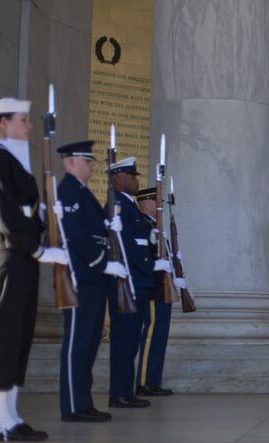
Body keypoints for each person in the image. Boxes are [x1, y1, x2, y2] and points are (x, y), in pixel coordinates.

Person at [0, 97, 69, 441]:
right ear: (3, 123)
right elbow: (5, 214)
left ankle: (10, 417)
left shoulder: (12, 162)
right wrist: (39, 249)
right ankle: (1, 421)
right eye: (23, 120)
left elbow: (24, 212)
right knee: (5, 336)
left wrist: (46, 216)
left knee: (20, 336)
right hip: (8, 255)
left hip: (22, 256)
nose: (29, 126)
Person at [57, 141, 127, 423]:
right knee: (78, 343)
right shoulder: (69, 191)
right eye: (88, 161)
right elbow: (76, 236)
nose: (93, 166)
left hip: (93, 279)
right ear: (71, 161)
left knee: (88, 343)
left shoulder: (83, 193)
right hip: (80, 278)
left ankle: (82, 402)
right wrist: (103, 263)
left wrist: (110, 225)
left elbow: (94, 231)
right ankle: (73, 405)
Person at [106, 157, 172, 408]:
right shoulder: (118, 207)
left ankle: (125, 391)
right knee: (124, 340)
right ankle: (120, 393)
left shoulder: (127, 206)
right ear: (118, 178)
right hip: (130, 281)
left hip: (139, 280)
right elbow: (128, 247)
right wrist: (152, 265)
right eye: (131, 176)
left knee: (131, 340)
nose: (135, 179)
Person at [135, 187, 180, 397]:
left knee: (160, 335)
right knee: (152, 333)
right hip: (153, 288)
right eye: (156, 201)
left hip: (162, 288)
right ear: (146, 204)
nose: (159, 206)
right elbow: (144, 256)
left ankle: (154, 380)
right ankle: (144, 381)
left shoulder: (155, 227)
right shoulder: (144, 226)